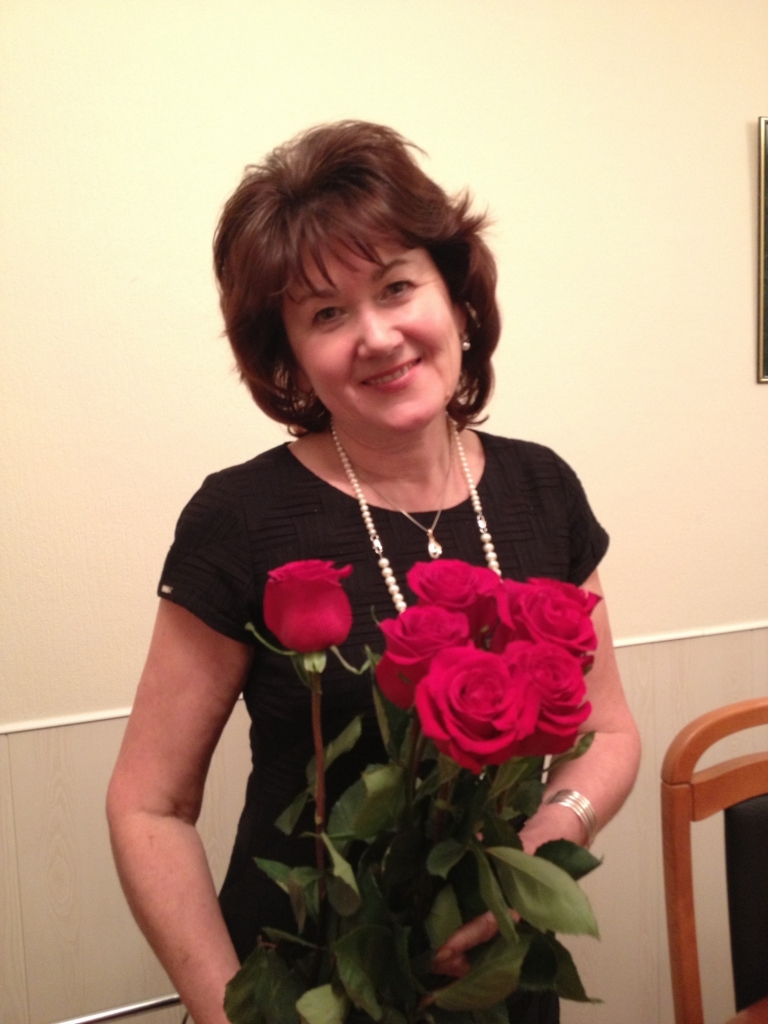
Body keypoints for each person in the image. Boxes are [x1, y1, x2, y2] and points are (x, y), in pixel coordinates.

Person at [107, 121, 641, 1024]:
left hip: (497, 984)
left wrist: (546, 842)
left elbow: (609, 729)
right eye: (327, 314)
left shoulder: (543, 489)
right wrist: (228, 1016)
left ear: (456, 297)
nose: (378, 335)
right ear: (289, 355)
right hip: (298, 986)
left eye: (397, 287)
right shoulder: (238, 519)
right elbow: (147, 805)